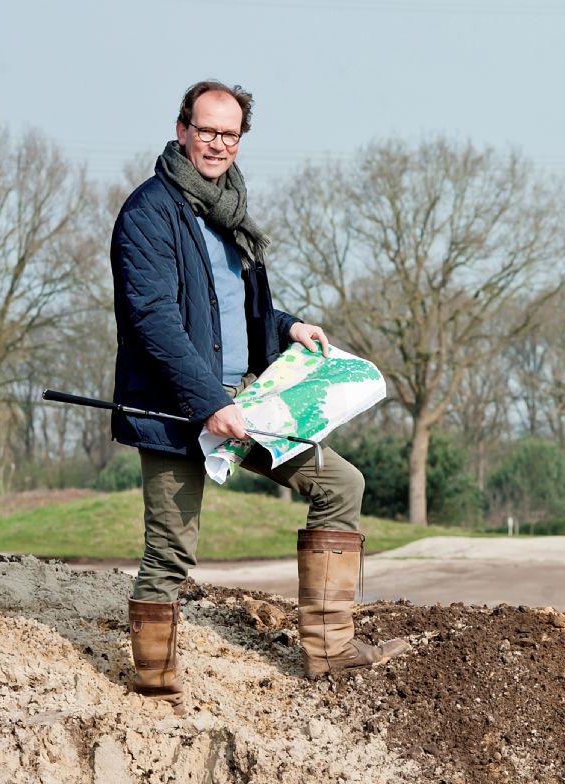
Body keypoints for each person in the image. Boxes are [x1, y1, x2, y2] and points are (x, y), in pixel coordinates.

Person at [110, 80, 408, 715]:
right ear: (183, 127)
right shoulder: (148, 212)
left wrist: (287, 326)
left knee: (341, 485)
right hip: (177, 409)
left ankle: (329, 653)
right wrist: (206, 402)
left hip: (251, 401)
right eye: (207, 129)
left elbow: (236, 311)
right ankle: (155, 685)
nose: (218, 143)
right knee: (171, 547)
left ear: (240, 139)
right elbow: (155, 320)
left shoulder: (230, 213)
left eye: (230, 133)